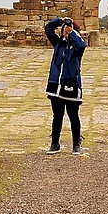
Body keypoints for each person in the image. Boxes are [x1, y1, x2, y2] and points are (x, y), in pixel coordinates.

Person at [43, 15, 86, 154]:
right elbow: (48, 29)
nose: (66, 31)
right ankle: (55, 143)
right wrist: (60, 20)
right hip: (56, 85)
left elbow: (82, 45)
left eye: (69, 29)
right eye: (65, 29)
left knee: (73, 115)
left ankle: (76, 144)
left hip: (71, 85)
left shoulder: (77, 47)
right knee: (57, 115)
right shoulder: (58, 43)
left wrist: (72, 32)